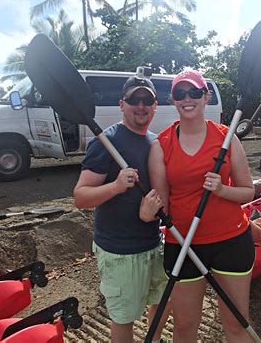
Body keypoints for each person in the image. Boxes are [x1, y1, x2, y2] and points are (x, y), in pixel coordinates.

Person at [144, 68, 256, 342]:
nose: (187, 98)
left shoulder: (227, 138)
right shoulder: (162, 145)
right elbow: (163, 205)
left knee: (236, 324)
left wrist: (221, 189)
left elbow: (248, 192)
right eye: (180, 93)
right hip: (182, 243)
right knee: (184, 326)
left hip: (231, 241)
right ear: (173, 100)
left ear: (205, 96)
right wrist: (149, 213)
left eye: (194, 91)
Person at [73, 74, 169, 343]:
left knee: (160, 303)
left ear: (155, 105)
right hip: (120, 251)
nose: (141, 105)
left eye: (147, 99)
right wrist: (115, 186)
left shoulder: (155, 141)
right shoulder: (106, 142)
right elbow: (80, 197)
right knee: (124, 317)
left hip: (153, 242)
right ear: (122, 104)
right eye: (134, 99)